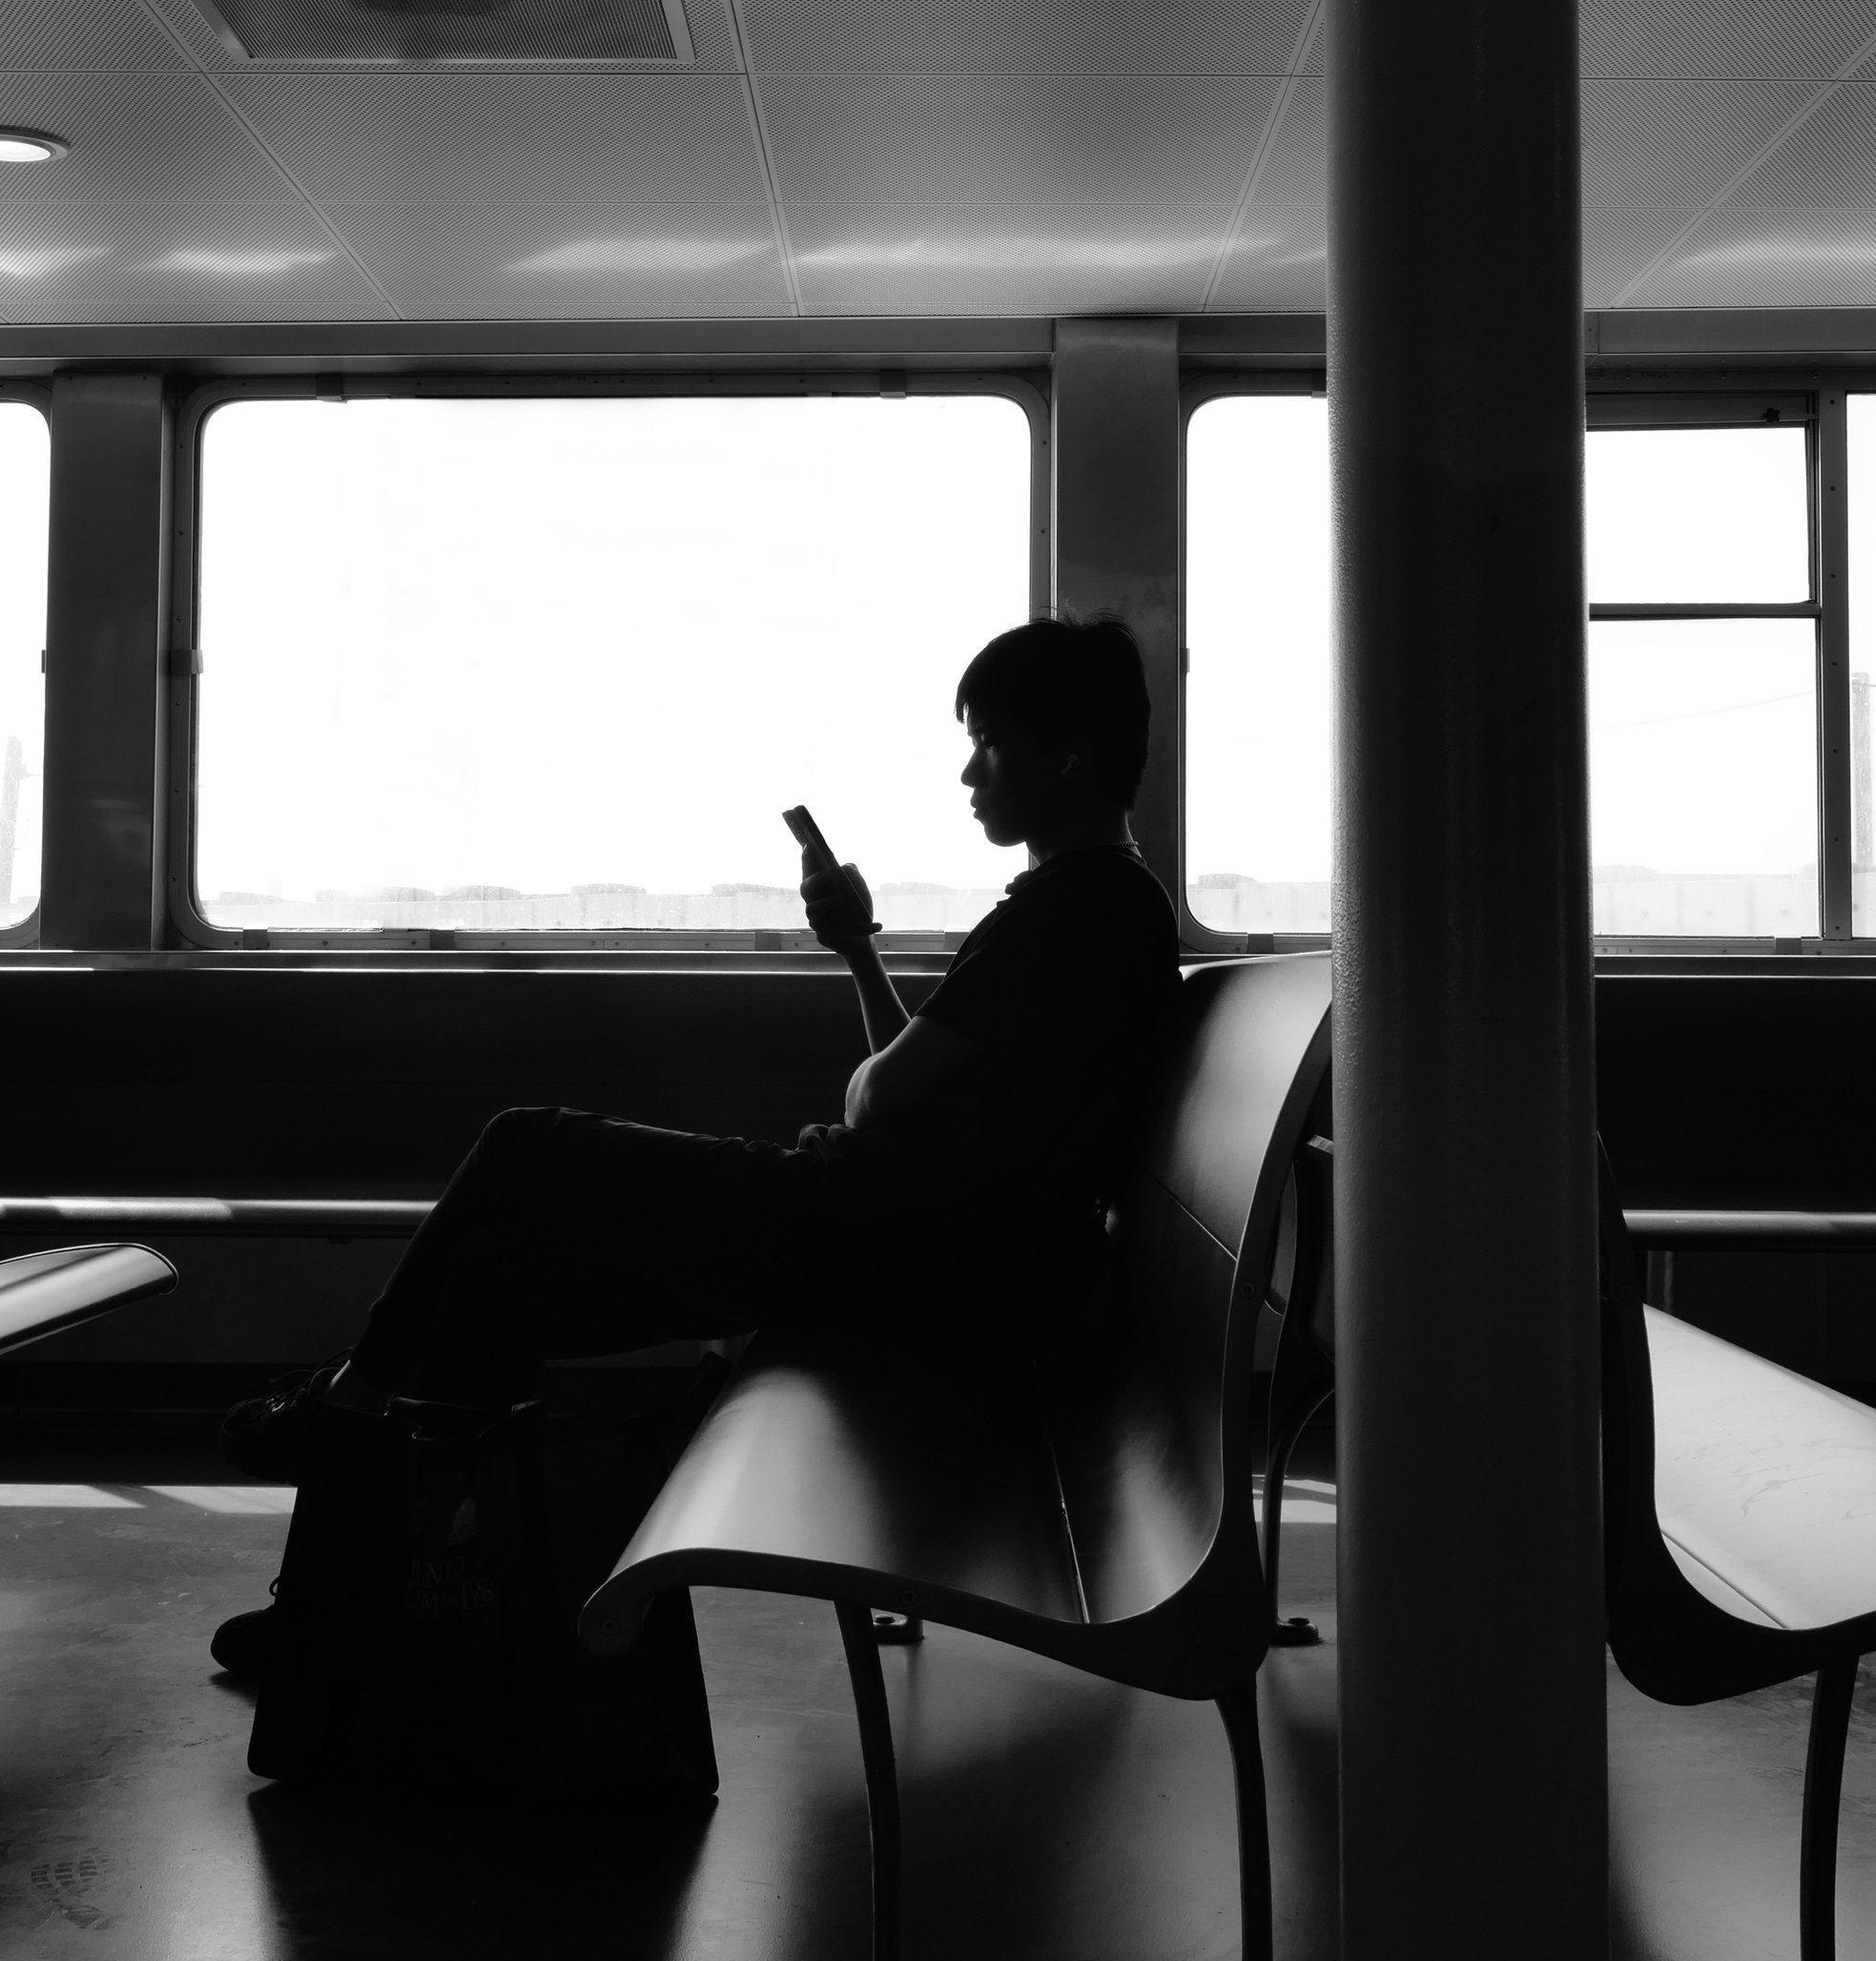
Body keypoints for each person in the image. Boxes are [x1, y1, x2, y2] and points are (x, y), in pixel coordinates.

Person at [209, 615, 1181, 1670]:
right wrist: (858, 950)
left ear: (1067, 756)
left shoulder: (1070, 912)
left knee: (526, 1146)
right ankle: (373, 1609)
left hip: (867, 1241)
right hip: (903, 1245)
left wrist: (873, 1083)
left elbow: (876, 1100)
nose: (968, 773)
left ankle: (349, 1407)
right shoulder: (1102, 912)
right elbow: (923, 1098)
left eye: (989, 742)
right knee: (492, 1289)